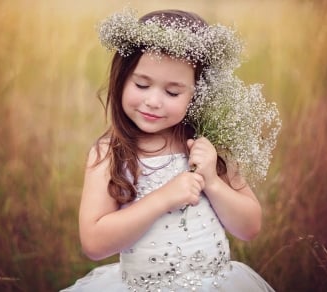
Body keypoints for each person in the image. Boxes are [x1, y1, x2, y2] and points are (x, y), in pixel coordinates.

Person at [61, 8, 277, 292]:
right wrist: (163, 199)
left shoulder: (209, 145)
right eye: (141, 84)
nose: (153, 101)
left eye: (172, 92)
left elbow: (250, 227)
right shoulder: (110, 152)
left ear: (198, 94)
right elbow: (94, 243)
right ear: (121, 78)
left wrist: (211, 181)